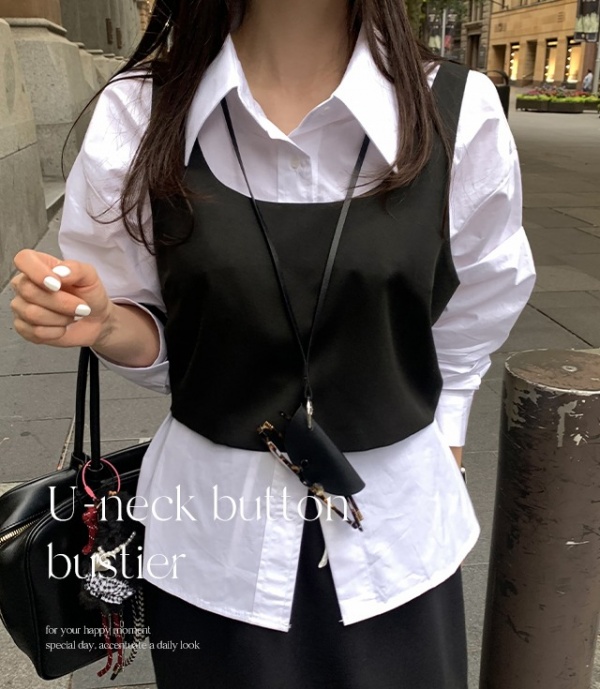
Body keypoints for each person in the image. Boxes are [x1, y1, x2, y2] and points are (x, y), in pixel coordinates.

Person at [10, 0, 535, 687]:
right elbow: (156, 328)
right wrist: (106, 323)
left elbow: (473, 315)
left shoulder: (455, 111)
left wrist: (448, 444)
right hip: (214, 542)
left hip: (396, 538)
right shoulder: (142, 111)